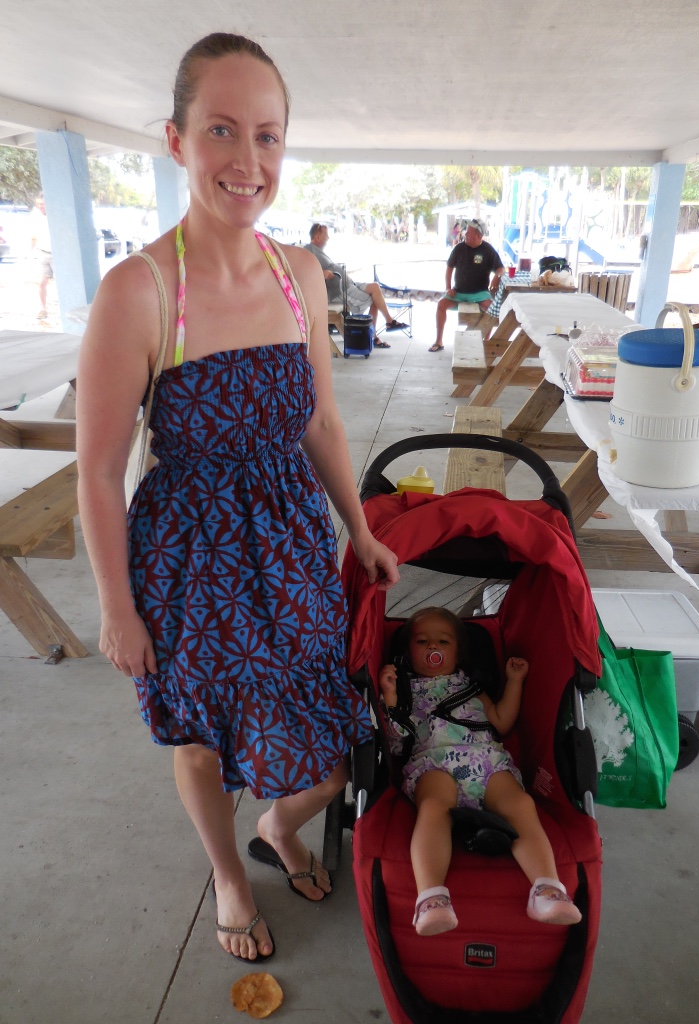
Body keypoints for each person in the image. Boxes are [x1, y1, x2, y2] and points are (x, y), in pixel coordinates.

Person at [76, 32, 399, 966]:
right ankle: (227, 872)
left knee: (325, 743)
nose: (247, 160)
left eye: (268, 135)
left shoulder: (301, 275)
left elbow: (322, 422)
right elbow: (98, 470)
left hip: (292, 546)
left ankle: (277, 825)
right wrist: (116, 608)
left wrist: (360, 530)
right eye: (221, 130)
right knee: (206, 743)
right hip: (189, 563)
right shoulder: (139, 290)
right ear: (176, 140)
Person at [378, 607, 582, 937]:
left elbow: (501, 721)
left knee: (521, 805)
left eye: (444, 642)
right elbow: (397, 744)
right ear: (406, 652)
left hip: (486, 761)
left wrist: (514, 682)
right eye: (422, 641)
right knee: (433, 807)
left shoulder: (471, 687)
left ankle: (547, 889)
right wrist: (389, 698)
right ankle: (431, 898)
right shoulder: (405, 689)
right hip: (435, 762)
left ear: (459, 653)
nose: (433, 647)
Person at [304, 223, 408, 348]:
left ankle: (389, 322)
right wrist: (322, 273)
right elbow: (304, 272)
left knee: (375, 287)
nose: (328, 238)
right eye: (326, 235)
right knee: (375, 301)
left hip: (349, 284)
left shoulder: (319, 252)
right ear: (317, 236)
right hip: (341, 291)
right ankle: (374, 337)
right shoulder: (308, 251)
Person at [430, 219, 504, 352]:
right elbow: (449, 268)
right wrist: (448, 288)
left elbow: (501, 269)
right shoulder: (459, 248)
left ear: (478, 236)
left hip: (480, 293)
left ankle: (485, 341)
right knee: (441, 305)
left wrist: (496, 277)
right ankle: (438, 340)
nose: (465, 234)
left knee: (492, 309)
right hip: (459, 292)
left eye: (468, 232)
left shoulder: (488, 249)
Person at [29, 195, 53, 320]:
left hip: (56, 254)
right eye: (38, 204)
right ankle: (43, 309)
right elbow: (34, 235)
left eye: (42, 204)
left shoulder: (54, 215)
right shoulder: (35, 215)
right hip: (43, 252)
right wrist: (30, 252)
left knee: (61, 283)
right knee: (42, 283)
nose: (40, 206)